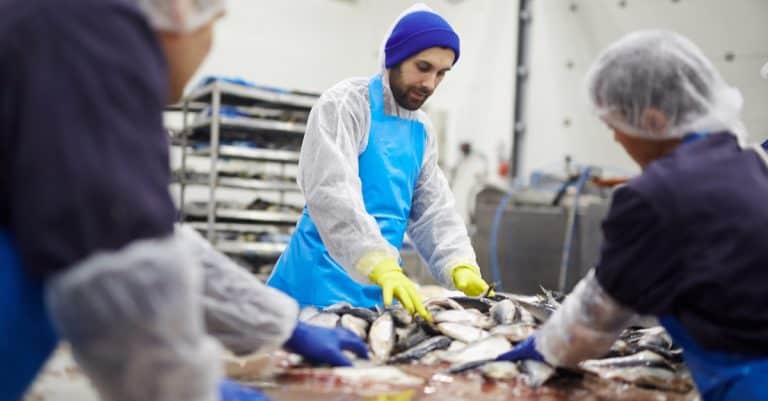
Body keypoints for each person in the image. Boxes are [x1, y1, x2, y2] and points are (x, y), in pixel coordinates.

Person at [0, 1, 365, 400]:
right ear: (179, 11)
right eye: (214, 25)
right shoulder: (89, 34)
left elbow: (152, 242)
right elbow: (121, 268)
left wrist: (279, 326)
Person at [495, 30, 768, 401]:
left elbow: (595, 319)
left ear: (653, 119)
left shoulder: (653, 196)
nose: (617, 140)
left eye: (615, 125)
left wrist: (545, 348)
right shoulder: (752, 162)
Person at [267, 3, 491, 320]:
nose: (430, 83)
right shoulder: (346, 104)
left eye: (441, 73)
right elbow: (331, 193)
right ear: (394, 57)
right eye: (423, 67)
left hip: (379, 291)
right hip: (316, 286)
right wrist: (377, 262)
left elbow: (433, 210)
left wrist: (458, 263)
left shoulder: (421, 129)